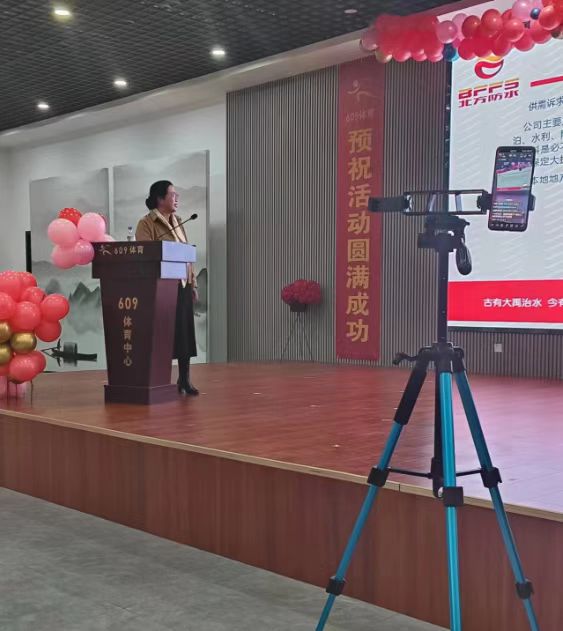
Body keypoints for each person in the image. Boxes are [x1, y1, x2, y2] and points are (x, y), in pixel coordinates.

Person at [136, 180, 199, 396]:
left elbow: (187, 255)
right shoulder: (147, 223)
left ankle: (184, 379)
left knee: (184, 333)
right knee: (163, 334)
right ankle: (158, 380)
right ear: (160, 199)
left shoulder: (179, 221)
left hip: (182, 284)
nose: (177, 198)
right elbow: (146, 255)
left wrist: (193, 283)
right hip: (162, 287)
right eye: (172, 194)